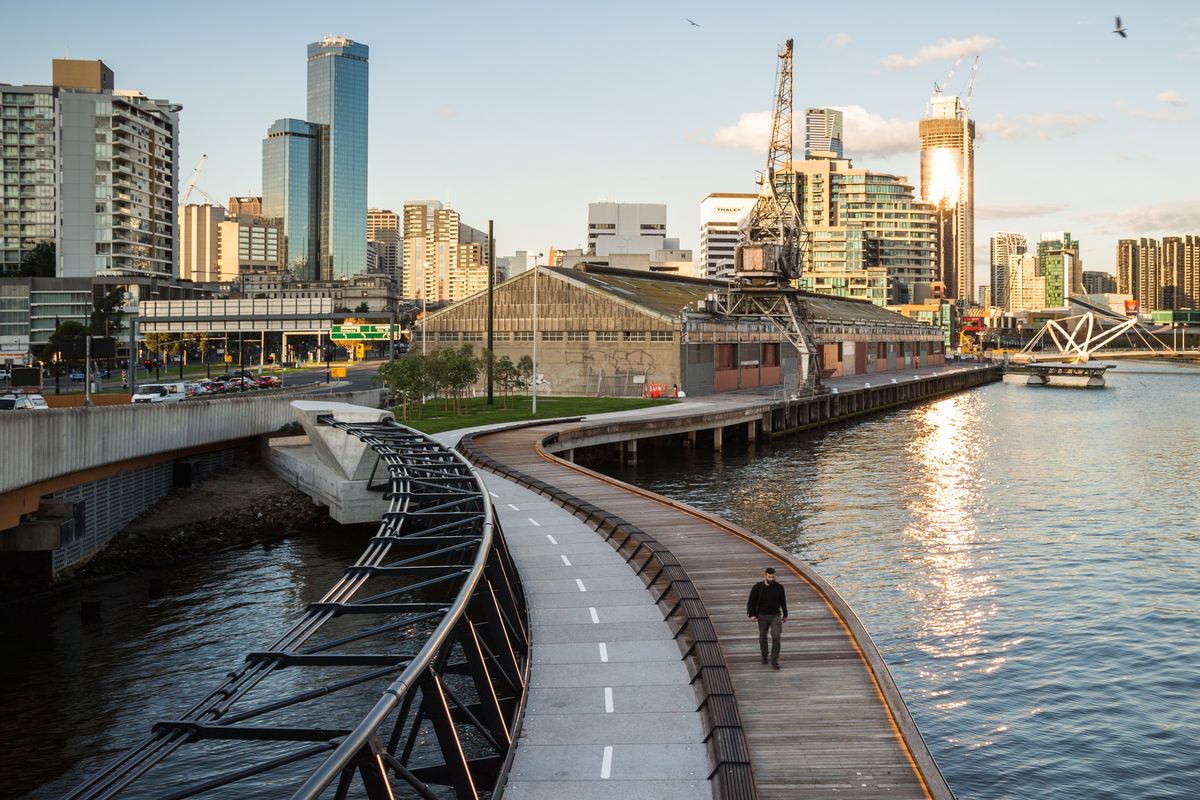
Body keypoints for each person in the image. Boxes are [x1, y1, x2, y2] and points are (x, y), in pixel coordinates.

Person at [747, 566, 788, 669]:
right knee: (762, 637)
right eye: (769, 577)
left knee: (776, 636)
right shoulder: (757, 587)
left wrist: (785, 614)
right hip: (762, 616)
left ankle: (774, 660)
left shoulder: (779, 587)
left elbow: (783, 602)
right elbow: (751, 601)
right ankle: (764, 655)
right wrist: (752, 614)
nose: (771, 579)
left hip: (775, 615)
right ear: (765, 575)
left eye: (773, 577)